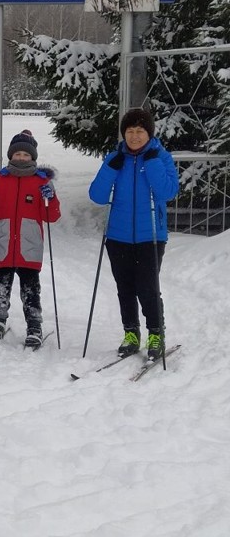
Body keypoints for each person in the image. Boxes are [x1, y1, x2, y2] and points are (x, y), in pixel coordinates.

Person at [88, 108, 179, 360]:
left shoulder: (161, 157)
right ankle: (130, 332)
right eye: (130, 131)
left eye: (140, 131)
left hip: (150, 235)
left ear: (149, 133)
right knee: (125, 288)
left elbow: (167, 192)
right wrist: (110, 168)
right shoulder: (115, 158)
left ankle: (155, 333)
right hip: (118, 236)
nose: (135, 136)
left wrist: (151, 164)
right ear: (124, 133)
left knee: (148, 288)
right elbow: (97, 195)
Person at [0, 129, 61, 350]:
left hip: (29, 244)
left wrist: (50, 198)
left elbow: (51, 216)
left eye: (26, 155)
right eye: (17, 154)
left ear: (33, 157)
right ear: (10, 155)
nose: (21, 158)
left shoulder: (41, 182)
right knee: (1, 285)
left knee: (30, 288)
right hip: (3, 242)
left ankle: (34, 325)